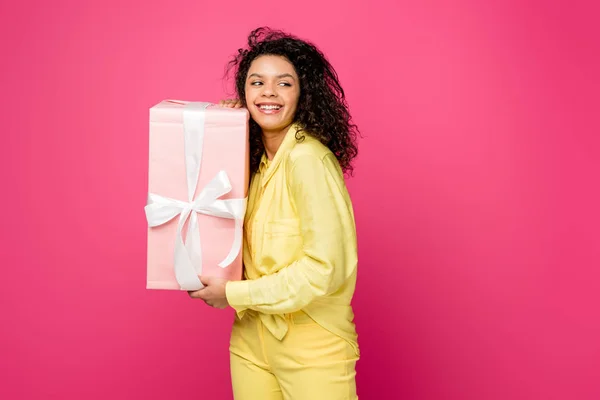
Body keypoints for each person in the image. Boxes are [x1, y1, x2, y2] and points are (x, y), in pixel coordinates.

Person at [188, 26, 361, 400]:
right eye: (256, 83)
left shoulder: (309, 160)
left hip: (311, 343)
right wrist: (225, 130)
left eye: (283, 83)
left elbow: (322, 270)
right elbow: (206, 206)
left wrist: (233, 293)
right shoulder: (256, 162)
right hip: (251, 338)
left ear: (303, 94)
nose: (268, 92)